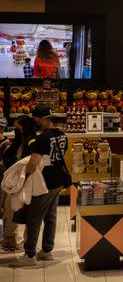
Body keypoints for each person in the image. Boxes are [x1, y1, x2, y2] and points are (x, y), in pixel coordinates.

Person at [10, 105, 68, 267]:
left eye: (35, 118)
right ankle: (47, 251)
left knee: (34, 218)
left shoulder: (42, 138)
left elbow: (33, 163)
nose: (34, 121)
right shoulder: (63, 135)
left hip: (44, 183)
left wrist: (24, 177)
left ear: (42, 119)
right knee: (51, 216)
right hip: (59, 180)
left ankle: (29, 255)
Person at [1, 115, 36, 252]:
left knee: (25, 210)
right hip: (15, 181)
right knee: (10, 208)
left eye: (18, 127)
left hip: (27, 181)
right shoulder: (18, 140)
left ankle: (25, 242)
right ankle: (10, 237)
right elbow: (9, 155)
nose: (16, 130)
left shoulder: (32, 141)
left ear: (25, 127)